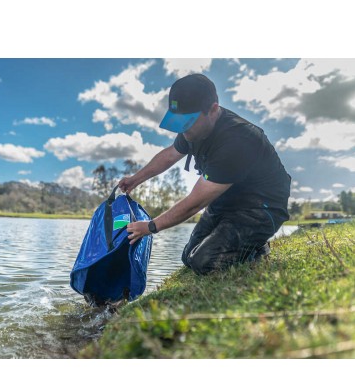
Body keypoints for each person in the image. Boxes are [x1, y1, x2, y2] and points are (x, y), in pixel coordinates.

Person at [118, 73, 291, 275]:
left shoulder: (237, 141)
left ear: (213, 109)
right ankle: (246, 245)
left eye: (188, 122)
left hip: (260, 207)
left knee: (204, 262)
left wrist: (151, 226)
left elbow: (195, 202)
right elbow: (170, 155)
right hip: (226, 201)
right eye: (178, 122)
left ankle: (256, 246)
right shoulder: (192, 130)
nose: (184, 131)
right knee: (188, 257)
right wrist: (135, 180)